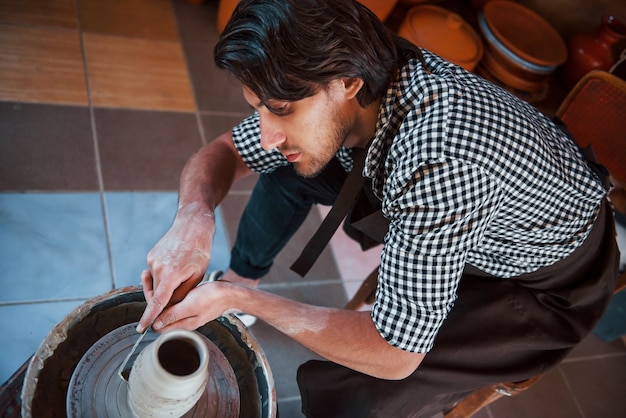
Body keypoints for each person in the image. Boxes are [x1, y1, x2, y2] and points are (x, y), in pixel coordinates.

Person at [137, 0, 620, 416]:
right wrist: (192, 220)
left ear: (347, 81)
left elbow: (395, 353)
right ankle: (244, 274)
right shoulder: (364, 71)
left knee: (364, 399)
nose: (265, 132)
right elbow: (228, 151)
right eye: (259, 107)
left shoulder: (441, 161)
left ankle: (241, 292)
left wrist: (240, 304)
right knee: (289, 166)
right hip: (480, 205)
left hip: (538, 278)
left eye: (281, 110)